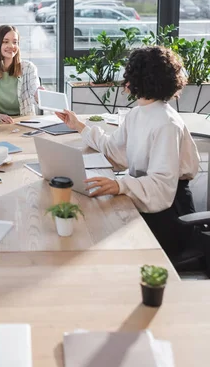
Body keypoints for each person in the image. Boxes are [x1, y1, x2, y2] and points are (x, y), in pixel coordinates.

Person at [56, 45, 200, 259]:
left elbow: (161, 186)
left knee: (101, 236)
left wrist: (119, 185)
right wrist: (79, 126)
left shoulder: (167, 124)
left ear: (139, 80)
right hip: (146, 199)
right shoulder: (137, 114)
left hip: (169, 215)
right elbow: (114, 149)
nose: (125, 81)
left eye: (129, 74)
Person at [0, 24, 42, 124]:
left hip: (25, 124)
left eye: (15, 42)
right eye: (5, 42)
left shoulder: (28, 68)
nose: (11, 46)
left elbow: (35, 91)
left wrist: (39, 94)